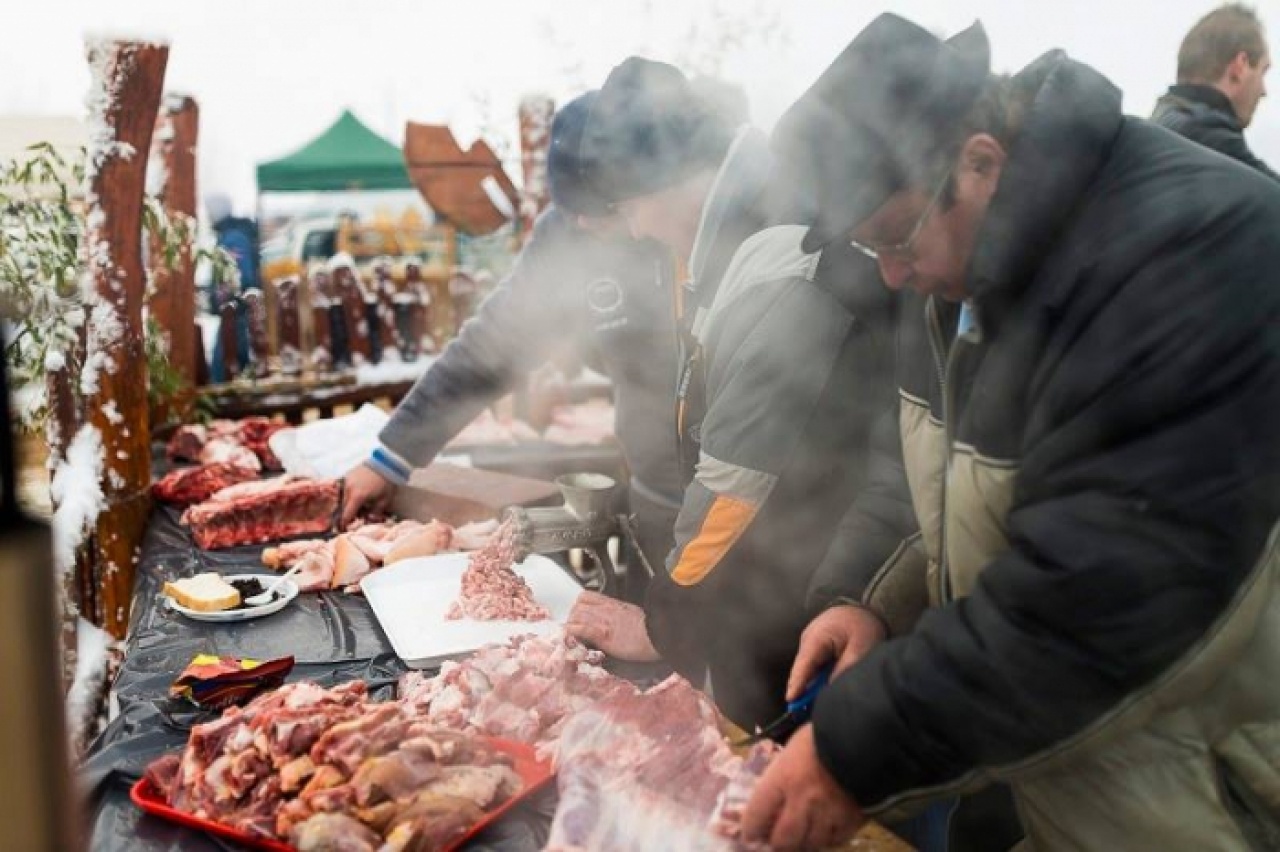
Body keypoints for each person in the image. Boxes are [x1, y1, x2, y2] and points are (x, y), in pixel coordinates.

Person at [742, 13, 1280, 851]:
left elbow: (1094, 598)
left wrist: (854, 751)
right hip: (1057, 789)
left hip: (1202, 801)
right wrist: (866, 596)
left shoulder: (1189, 252)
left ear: (982, 160)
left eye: (893, 237)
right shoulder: (955, 275)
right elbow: (919, 470)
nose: (888, 272)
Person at [565, 57, 897, 733]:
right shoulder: (731, 241)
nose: (633, 229)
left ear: (666, 180)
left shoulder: (778, 263)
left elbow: (733, 484)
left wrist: (666, 623)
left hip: (826, 598)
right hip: (785, 584)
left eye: (628, 205)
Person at [340, 92, 685, 585]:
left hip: (750, 491)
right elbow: (492, 348)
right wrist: (390, 458)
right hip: (657, 488)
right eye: (571, 209)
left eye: (597, 209)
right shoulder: (566, 234)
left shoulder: (689, 223)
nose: (584, 223)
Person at [1153, 3, 1278, 179]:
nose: (1264, 91)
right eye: (1262, 71)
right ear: (1240, 67)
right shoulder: (1210, 139)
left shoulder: (1159, 128)